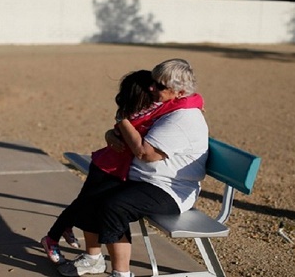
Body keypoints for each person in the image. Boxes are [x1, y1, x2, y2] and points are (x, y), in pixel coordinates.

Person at [53, 58, 209, 277]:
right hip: (141, 178)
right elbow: (130, 133)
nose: (152, 88)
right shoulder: (165, 105)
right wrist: (111, 133)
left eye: (160, 86)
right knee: (93, 194)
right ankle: (94, 259)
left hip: (170, 189)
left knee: (115, 206)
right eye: (153, 82)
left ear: (180, 92)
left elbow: (146, 154)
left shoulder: (182, 119)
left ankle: (122, 273)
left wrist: (121, 118)